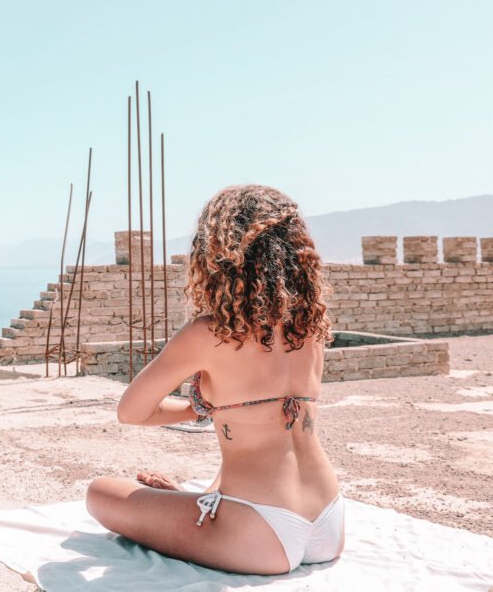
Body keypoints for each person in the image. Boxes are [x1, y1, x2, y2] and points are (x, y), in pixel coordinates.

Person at [85, 184, 344, 575]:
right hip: (329, 521)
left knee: (100, 493)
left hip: (258, 533)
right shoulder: (309, 329)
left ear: (219, 255)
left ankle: (209, 508)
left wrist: (195, 409)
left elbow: (132, 412)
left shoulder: (209, 334)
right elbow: (268, 432)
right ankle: (208, 503)